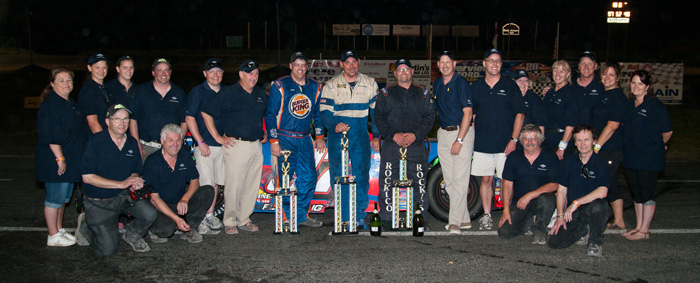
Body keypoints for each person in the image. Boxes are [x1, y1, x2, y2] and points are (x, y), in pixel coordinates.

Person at [74, 104, 157, 256]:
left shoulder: (131, 142)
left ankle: (131, 235)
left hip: (124, 196)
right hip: (100, 201)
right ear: (107, 121)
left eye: (125, 119)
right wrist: (121, 183)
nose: (122, 123)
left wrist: (134, 180)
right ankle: (87, 225)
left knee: (150, 213)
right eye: (117, 119)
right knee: (107, 251)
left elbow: (136, 170)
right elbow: (87, 177)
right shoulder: (96, 142)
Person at [201, 60, 268, 235]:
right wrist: (216, 136)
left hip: (256, 145)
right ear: (240, 74)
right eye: (250, 74)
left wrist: (265, 131)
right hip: (236, 144)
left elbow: (265, 114)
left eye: (256, 74)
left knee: (251, 185)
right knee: (234, 185)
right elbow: (206, 112)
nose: (253, 77)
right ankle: (230, 220)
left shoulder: (260, 93)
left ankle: (244, 218)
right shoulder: (228, 93)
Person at [265, 52, 326, 228]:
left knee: (309, 178)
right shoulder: (280, 85)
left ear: (307, 67)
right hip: (284, 138)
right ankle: (285, 217)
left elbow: (317, 114)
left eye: (303, 65)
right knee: (284, 179)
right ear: (291, 65)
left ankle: (300, 216)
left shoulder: (315, 86)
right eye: (296, 64)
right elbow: (270, 115)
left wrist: (320, 136)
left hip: (305, 138)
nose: (300, 68)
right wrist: (273, 141)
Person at [320, 49, 380, 228]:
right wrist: (333, 125)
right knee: (339, 176)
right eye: (347, 62)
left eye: (354, 62)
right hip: (337, 135)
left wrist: (376, 135)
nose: (351, 65)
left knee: (361, 176)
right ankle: (343, 215)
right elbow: (324, 113)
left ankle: (359, 215)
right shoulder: (331, 85)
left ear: (359, 62)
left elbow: (376, 114)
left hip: (360, 134)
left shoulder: (370, 83)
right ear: (341, 64)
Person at [375, 58, 435, 230]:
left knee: (419, 183)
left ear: (412, 72)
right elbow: (378, 117)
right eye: (399, 70)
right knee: (387, 181)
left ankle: (419, 218)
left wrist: (416, 135)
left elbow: (430, 117)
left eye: (406, 69)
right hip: (392, 145)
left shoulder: (423, 94)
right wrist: (392, 135)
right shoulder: (385, 93)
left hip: (415, 145)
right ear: (395, 74)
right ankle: (387, 218)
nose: (403, 72)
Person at [470, 48, 525, 230]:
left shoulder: (510, 85)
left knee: (505, 181)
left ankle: (506, 214)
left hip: (505, 144)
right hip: (483, 143)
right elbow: (473, 116)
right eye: (491, 60)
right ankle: (487, 215)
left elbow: (519, 114)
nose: (495, 63)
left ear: (501, 64)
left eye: (498, 61)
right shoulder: (476, 86)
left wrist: (513, 140)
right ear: (484, 63)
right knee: (486, 180)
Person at [36, 67, 89, 247]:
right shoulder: (51, 104)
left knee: (62, 200)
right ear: (52, 84)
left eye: (69, 80)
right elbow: (51, 135)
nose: (66, 84)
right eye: (61, 80)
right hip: (56, 160)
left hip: (70, 159)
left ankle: (58, 229)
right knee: (54, 198)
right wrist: (60, 158)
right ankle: (52, 235)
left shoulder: (68, 102)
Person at [620, 70, 673, 240]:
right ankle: (638, 226)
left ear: (648, 86)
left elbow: (667, 131)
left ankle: (645, 231)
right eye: (633, 83)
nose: (635, 87)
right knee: (636, 192)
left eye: (640, 84)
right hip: (631, 155)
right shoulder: (630, 104)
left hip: (649, 157)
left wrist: (658, 145)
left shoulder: (654, 105)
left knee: (646, 192)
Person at [142, 124, 215, 244]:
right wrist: (176, 219)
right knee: (166, 230)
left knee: (208, 190)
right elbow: (154, 198)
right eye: (170, 140)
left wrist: (185, 199)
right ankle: (155, 228)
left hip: (180, 203)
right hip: (161, 206)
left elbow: (195, 181)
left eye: (178, 140)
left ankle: (187, 228)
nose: (175, 144)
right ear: (162, 141)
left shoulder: (184, 155)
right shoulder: (152, 161)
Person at [548, 125, 610, 257]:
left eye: (587, 140)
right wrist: (560, 216)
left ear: (594, 141)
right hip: (575, 213)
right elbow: (562, 190)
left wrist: (575, 203)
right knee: (555, 243)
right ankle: (583, 229)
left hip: (593, 209)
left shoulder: (601, 163)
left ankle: (595, 241)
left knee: (599, 205)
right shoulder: (568, 162)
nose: (583, 144)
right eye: (579, 140)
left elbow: (603, 191)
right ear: (575, 143)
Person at [432, 51, 475, 234]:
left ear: (454, 63)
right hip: (443, 133)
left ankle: (455, 222)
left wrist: (459, 139)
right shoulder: (437, 84)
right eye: (442, 62)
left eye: (448, 62)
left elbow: (468, 113)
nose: (445, 65)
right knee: (449, 181)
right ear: (438, 65)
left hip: (461, 133)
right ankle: (465, 219)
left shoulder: (461, 83)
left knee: (460, 180)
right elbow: (436, 111)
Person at [185, 58, 226, 235]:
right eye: (211, 72)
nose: (215, 75)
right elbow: (189, 118)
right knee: (205, 184)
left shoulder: (226, 92)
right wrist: (200, 142)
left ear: (222, 74)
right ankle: (200, 218)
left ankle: (210, 215)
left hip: (222, 146)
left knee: (216, 183)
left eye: (218, 71)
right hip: (205, 146)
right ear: (205, 74)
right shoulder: (198, 91)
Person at [497, 124, 558, 245]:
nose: (529, 142)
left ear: (539, 140)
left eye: (533, 138)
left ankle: (540, 229)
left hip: (542, 201)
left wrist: (530, 195)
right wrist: (506, 211)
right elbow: (507, 185)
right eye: (526, 138)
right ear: (521, 141)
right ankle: (529, 221)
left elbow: (555, 184)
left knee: (547, 198)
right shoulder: (513, 157)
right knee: (505, 232)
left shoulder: (550, 156)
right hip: (520, 204)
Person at [590, 62, 628, 230]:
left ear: (618, 78)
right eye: (605, 74)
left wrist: (596, 147)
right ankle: (619, 219)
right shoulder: (604, 94)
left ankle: (598, 220)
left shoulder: (617, 97)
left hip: (610, 148)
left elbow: (612, 125)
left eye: (611, 75)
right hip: (603, 147)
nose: (607, 77)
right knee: (611, 182)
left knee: (601, 183)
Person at [129, 58, 188, 162]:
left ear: (170, 72)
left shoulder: (179, 93)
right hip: (146, 148)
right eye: (159, 70)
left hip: (171, 148)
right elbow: (133, 120)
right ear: (153, 72)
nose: (163, 73)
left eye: (166, 70)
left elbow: (184, 121)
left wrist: (178, 143)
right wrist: (137, 144)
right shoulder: (142, 91)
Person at [541, 60, 578, 160]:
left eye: (562, 71)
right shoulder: (550, 92)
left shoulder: (570, 94)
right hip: (547, 141)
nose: (557, 74)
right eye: (555, 70)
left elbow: (571, 125)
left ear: (568, 74)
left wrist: (561, 147)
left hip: (561, 142)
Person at [78, 53, 113, 133]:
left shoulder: (105, 88)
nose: (101, 71)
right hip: (96, 139)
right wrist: (103, 142)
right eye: (97, 67)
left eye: (104, 67)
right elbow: (93, 123)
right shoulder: (89, 91)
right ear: (89, 68)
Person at [572, 51, 605, 126]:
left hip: (596, 134)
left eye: (590, 63)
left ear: (596, 66)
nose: (586, 67)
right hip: (574, 134)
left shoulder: (602, 85)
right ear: (579, 66)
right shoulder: (570, 85)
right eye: (583, 63)